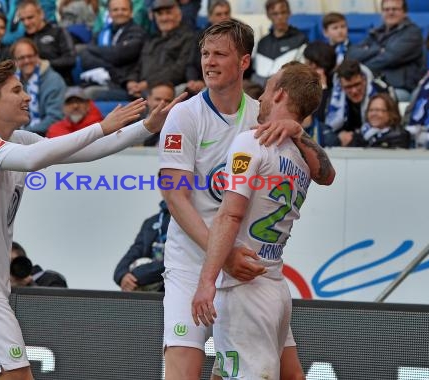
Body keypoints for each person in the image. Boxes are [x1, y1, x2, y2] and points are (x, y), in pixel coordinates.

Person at [0, 59, 185, 380]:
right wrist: (101, 125)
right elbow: (32, 159)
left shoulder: (18, 139)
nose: (26, 96)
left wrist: (147, 127)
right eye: (17, 90)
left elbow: (85, 151)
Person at [158, 19, 335, 380]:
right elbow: (175, 198)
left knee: (288, 374)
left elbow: (325, 175)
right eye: (205, 53)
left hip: (246, 267)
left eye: (220, 54)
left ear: (243, 62)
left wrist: (300, 134)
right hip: (195, 259)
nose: (209, 61)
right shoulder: (184, 114)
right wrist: (222, 257)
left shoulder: (264, 113)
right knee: (184, 370)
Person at [191, 61, 321, 379]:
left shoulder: (252, 142)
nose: (260, 96)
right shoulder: (302, 156)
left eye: (266, 89)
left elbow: (231, 214)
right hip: (274, 282)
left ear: (280, 95)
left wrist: (206, 281)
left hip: (243, 288)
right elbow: (328, 174)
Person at [346, 0, 425, 102]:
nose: (390, 12)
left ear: (404, 12)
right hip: (373, 84)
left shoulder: (412, 33)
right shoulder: (377, 32)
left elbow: (389, 58)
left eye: (395, 9)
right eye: (386, 9)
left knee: (372, 100)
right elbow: (351, 54)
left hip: (399, 89)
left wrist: (360, 66)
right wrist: (378, 50)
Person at [324, 58, 394, 147]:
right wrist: (337, 137)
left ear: (364, 79)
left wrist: (356, 137)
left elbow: (392, 123)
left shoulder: (381, 91)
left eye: (357, 84)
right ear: (341, 86)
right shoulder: (332, 97)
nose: (354, 91)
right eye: (348, 87)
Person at [113, 185, 169, 292]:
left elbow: (179, 262)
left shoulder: (193, 219)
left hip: (178, 294)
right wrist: (122, 275)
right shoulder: (151, 223)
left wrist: (140, 275)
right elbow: (135, 251)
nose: (168, 186)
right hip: (147, 299)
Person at [11, 37, 67, 136]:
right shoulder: (13, 82)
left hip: (47, 135)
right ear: (15, 61)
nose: (27, 61)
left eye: (30, 56)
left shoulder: (54, 80)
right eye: (21, 58)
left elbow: (55, 117)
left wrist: (24, 134)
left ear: (37, 56)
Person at [17, 0, 77, 84]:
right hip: (31, 87)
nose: (26, 23)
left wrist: (45, 63)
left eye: (30, 17)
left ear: (41, 14)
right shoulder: (22, 40)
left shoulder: (58, 32)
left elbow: (71, 60)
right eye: (22, 20)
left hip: (60, 83)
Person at [252, 0, 307, 87]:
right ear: (268, 15)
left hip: (286, 88)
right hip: (258, 90)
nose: (280, 17)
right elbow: (255, 71)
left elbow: (302, 73)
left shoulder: (300, 40)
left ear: (289, 13)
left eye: (283, 12)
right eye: (275, 14)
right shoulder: (262, 42)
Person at [143, 81, 174, 146]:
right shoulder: (133, 121)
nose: (162, 104)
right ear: (148, 99)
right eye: (158, 99)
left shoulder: (178, 126)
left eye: (167, 101)